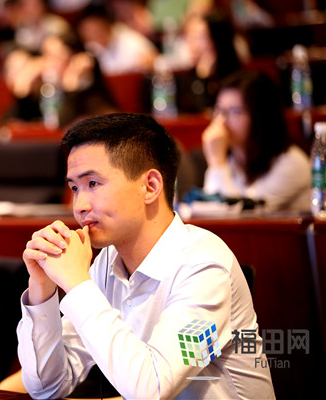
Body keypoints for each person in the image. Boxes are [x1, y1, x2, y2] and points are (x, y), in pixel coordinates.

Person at [17, 113, 275, 399]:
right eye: (75, 188)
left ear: (150, 186)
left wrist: (77, 285)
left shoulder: (204, 266)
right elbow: (47, 387)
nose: (79, 205)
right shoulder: (107, 262)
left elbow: (151, 390)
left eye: (93, 184)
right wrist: (41, 290)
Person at [202, 70, 311, 211]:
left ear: (260, 115)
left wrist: (217, 163)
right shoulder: (232, 160)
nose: (221, 122)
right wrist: (217, 163)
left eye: (234, 111)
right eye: (219, 111)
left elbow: (239, 217)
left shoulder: (291, 163)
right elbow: (209, 209)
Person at [2, 31, 117, 128]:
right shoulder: (50, 86)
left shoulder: (87, 87)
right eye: (45, 55)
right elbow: (11, 120)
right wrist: (25, 87)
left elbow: (61, 125)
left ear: (74, 59)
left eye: (54, 56)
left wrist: (72, 86)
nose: (46, 63)